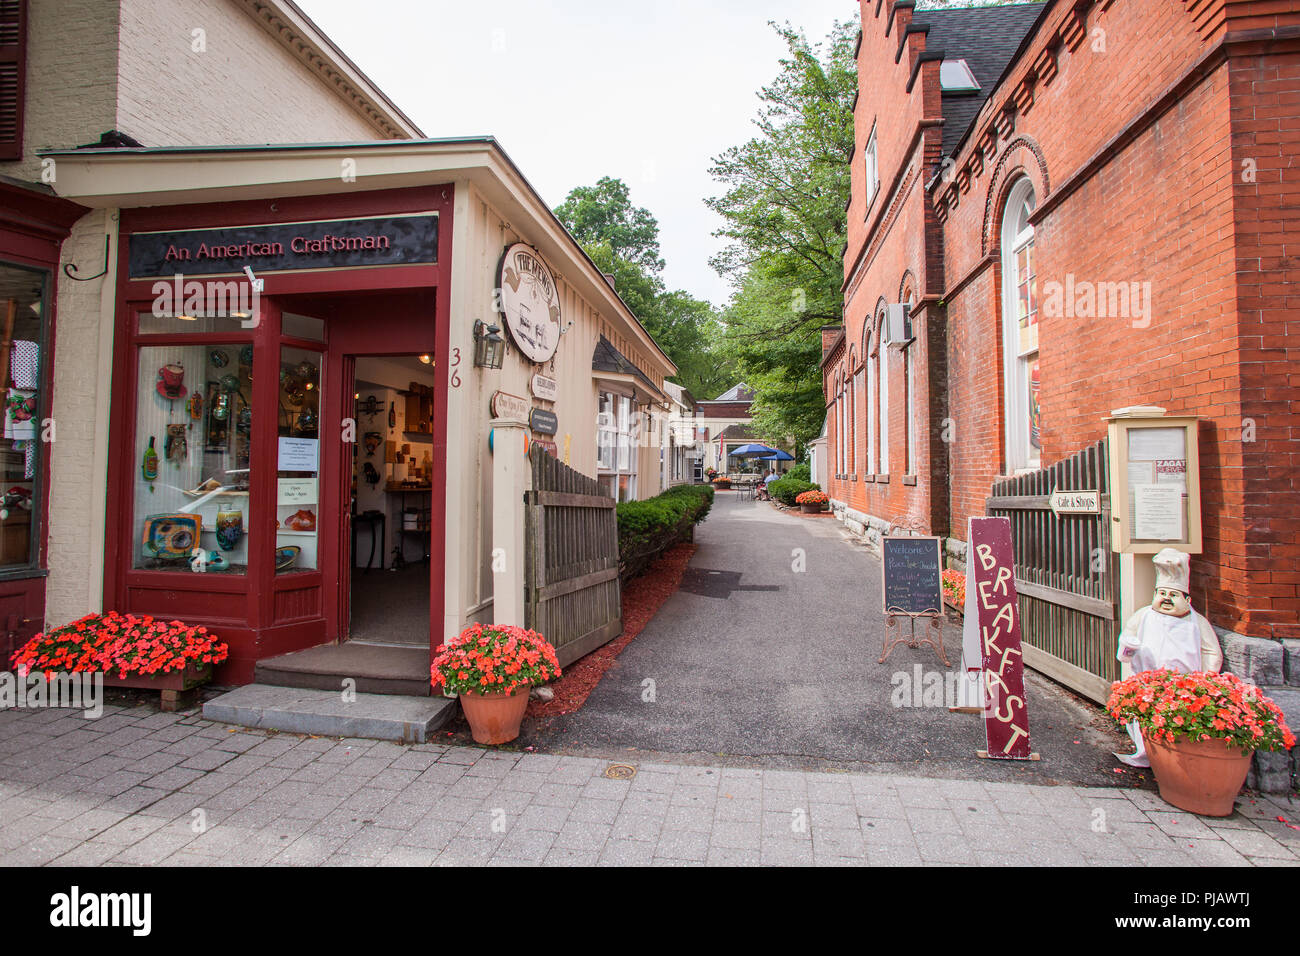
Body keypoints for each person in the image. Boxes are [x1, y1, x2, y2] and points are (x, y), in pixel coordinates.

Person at [1114, 548, 1223, 767]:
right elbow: (1127, 641)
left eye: (1173, 595)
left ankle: (1175, 757)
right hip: (1147, 682)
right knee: (1145, 716)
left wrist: (1207, 678)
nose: (1166, 599)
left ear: (1187, 598)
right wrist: (1127, 647)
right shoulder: (1144, 616)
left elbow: (1212, 651)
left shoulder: (1196, 622)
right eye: (1162, 593)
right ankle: (1147, 750)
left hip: (1186, 684)